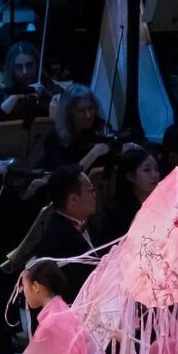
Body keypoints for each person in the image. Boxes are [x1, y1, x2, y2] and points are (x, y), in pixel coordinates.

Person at [32, 165, 99, 302]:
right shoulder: (56, 240)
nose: (95, 195)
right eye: (90, 190)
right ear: (74, 199)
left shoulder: (95, 224)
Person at [96, 148, 160, 244]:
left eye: (156, 169)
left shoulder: (163, 205)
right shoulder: (117, 216)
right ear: (130, 176)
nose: (154, 175)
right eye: (147, 170)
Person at [42, 85, 111, 171]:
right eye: (81, 111)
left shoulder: (100, 127)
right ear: (69, 114)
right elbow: (61, 178)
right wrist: (94, 154)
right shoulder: (55, 137)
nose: (88, 115)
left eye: (90, 108)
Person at [0, 42, 57, 124]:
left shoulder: (49, 87)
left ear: (37, 64)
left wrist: (49, 97)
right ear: (11, 69)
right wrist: (17, 95)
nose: (25, 71)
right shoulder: (1, 92)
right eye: (18, 67)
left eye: (29, 65)